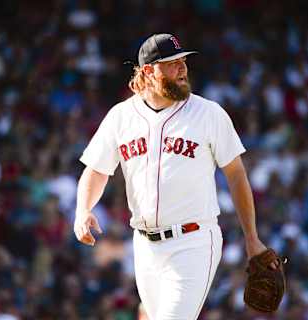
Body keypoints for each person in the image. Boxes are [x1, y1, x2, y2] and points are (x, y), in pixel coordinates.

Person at [73, 33, 278, 320]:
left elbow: (236, 174)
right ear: (148, 71)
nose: (182, 68)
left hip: (193, 242)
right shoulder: (121, 117)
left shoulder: (208, 114)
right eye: (171, 63)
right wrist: (83, 210)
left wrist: (252, 238)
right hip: (144, 247)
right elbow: (95, 170)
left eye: (183, 61)